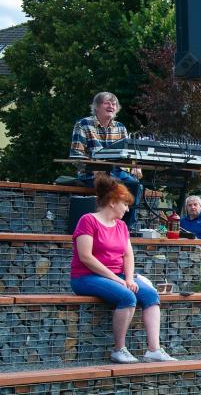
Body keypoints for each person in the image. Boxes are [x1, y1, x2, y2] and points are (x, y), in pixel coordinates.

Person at [70, 173, 174, 364]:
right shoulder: (88, 220)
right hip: (86, 276)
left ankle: (154, 350)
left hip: (117, 275)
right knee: (127, 296)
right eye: (125, 204)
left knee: (151, 295)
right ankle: (119, 349)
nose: (127, 209)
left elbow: (128, 255)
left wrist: (129, 278)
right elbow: (86, 257)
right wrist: (118, 280)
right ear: (112, 202)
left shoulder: (121, 226)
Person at [69, 91, 144, 229]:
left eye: (114, 104)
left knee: (135, 184)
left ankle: (127, 227)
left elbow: (128, 155)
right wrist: (93, 168)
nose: (111, 106)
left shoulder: (120, 127)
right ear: (97, 107)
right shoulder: (83, 124)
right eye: (107, 103)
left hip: (116, 171)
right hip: (90, 173)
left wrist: (135, 166)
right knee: (116, 186)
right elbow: (76, 155)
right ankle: (108, 226)